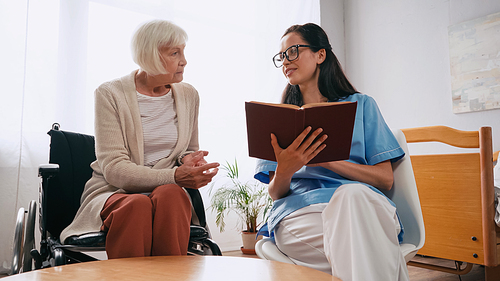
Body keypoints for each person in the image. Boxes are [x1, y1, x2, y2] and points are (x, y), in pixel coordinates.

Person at [254, 23, 409, 281]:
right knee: (364, 242)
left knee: (351, 196)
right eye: (281, 56)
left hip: (366, 206)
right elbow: (275, 193)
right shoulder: (278, 119)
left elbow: (385, 179)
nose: (285, 61)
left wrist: (329, 162)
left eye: (292, 51)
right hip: (302, 214)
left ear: (320, 55)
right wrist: (285, 170)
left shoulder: (362, 106)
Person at [60, 19, 219, 259]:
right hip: (115, 190)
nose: (184, 61)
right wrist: (175, 175)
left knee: (173, 194)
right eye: (175, 53)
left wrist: (189, 161)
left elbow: (187, 149)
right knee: (137, 205)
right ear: (151, 55)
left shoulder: (189, 95)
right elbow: (114, 170)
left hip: (168, 190)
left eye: (183, 52)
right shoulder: (110, 93)